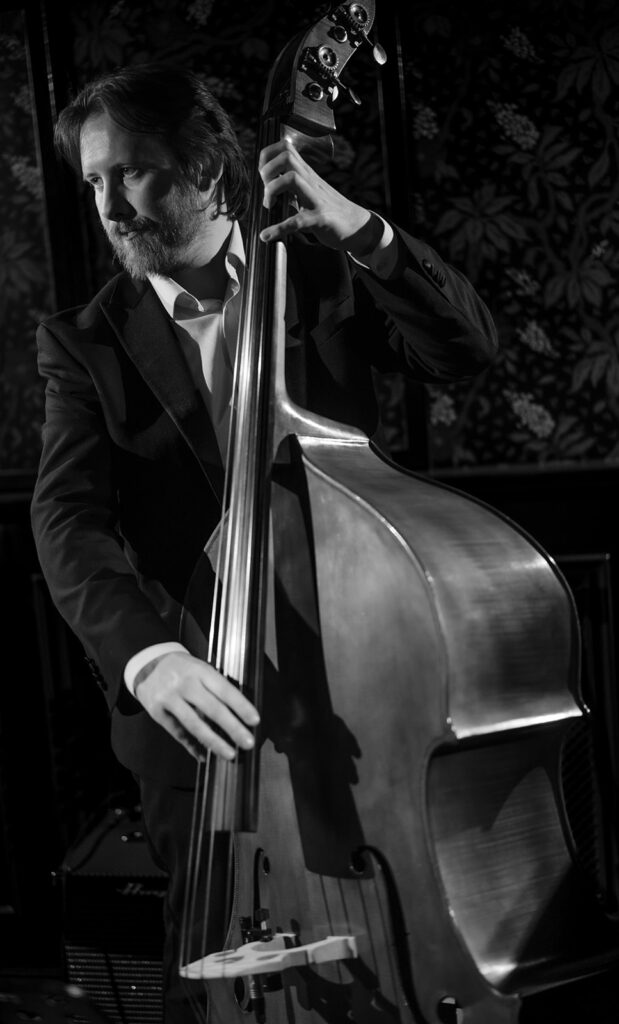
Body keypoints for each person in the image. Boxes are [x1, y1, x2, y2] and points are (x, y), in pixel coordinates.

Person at [31, 61, 497, 1021]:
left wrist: (365, 235)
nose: (109, 207)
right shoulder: (84, 341)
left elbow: (465, 354)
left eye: (134, 173)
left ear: (208, 168)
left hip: (367, 686)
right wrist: (147, 657)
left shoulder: (323, 275)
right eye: (92, 182)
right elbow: (66, 518)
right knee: (213, 980)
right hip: (199, 715)